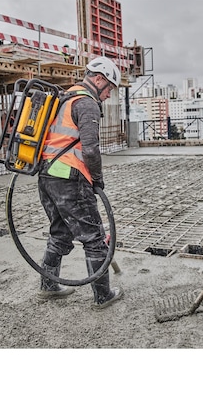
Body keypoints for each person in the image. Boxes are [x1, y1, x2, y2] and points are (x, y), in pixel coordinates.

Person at [37, 56, 124, 309]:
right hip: (70, 179)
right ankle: (103, 295)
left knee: (60, 232)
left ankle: (48, 285)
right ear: (98, 79)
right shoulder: (86, 104)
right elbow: (90, 150)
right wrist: (97, 180)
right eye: (109, 88)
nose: (108, 95)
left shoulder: (64, 99)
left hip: (47, 177)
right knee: (94, 237)